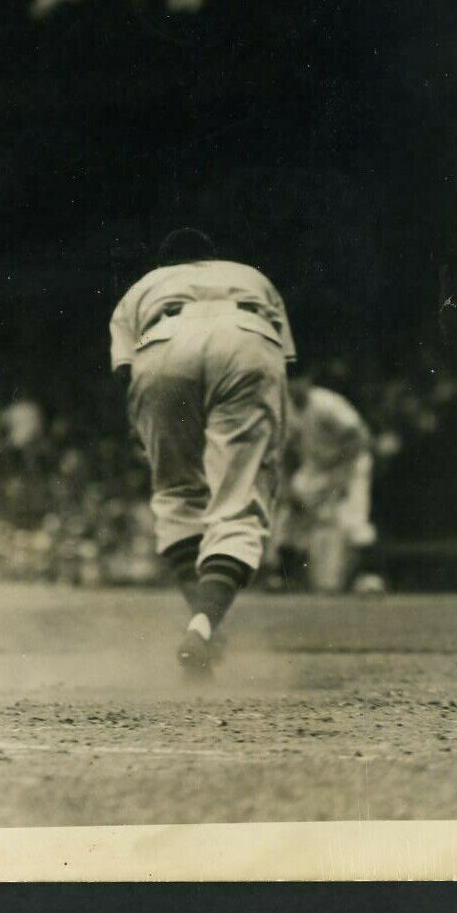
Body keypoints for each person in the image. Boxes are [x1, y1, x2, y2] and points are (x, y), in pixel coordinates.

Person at [109, 229, 295, 677]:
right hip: (247, 339)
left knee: (176, 494)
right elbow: (285, 364)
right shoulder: (250, 276)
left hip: (161, 344)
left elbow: (123, 372)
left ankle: (203, 620)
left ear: (165, 264)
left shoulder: (144, 286)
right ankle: (206, 622)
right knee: (237, 504)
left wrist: (149, 434)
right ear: (212, 258)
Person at [273, 377, 379, 593]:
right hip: (317, 468)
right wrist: (288, 487)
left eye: (297, 380)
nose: (294, 386)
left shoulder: (327, 403)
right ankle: (284, 578)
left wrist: (341, 477)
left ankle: (370, 578)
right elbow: (285, 454)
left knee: (353, 518)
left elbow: (360, 437)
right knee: (291, 517)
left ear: (307, 382)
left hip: (351, 462)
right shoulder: (286, 409)